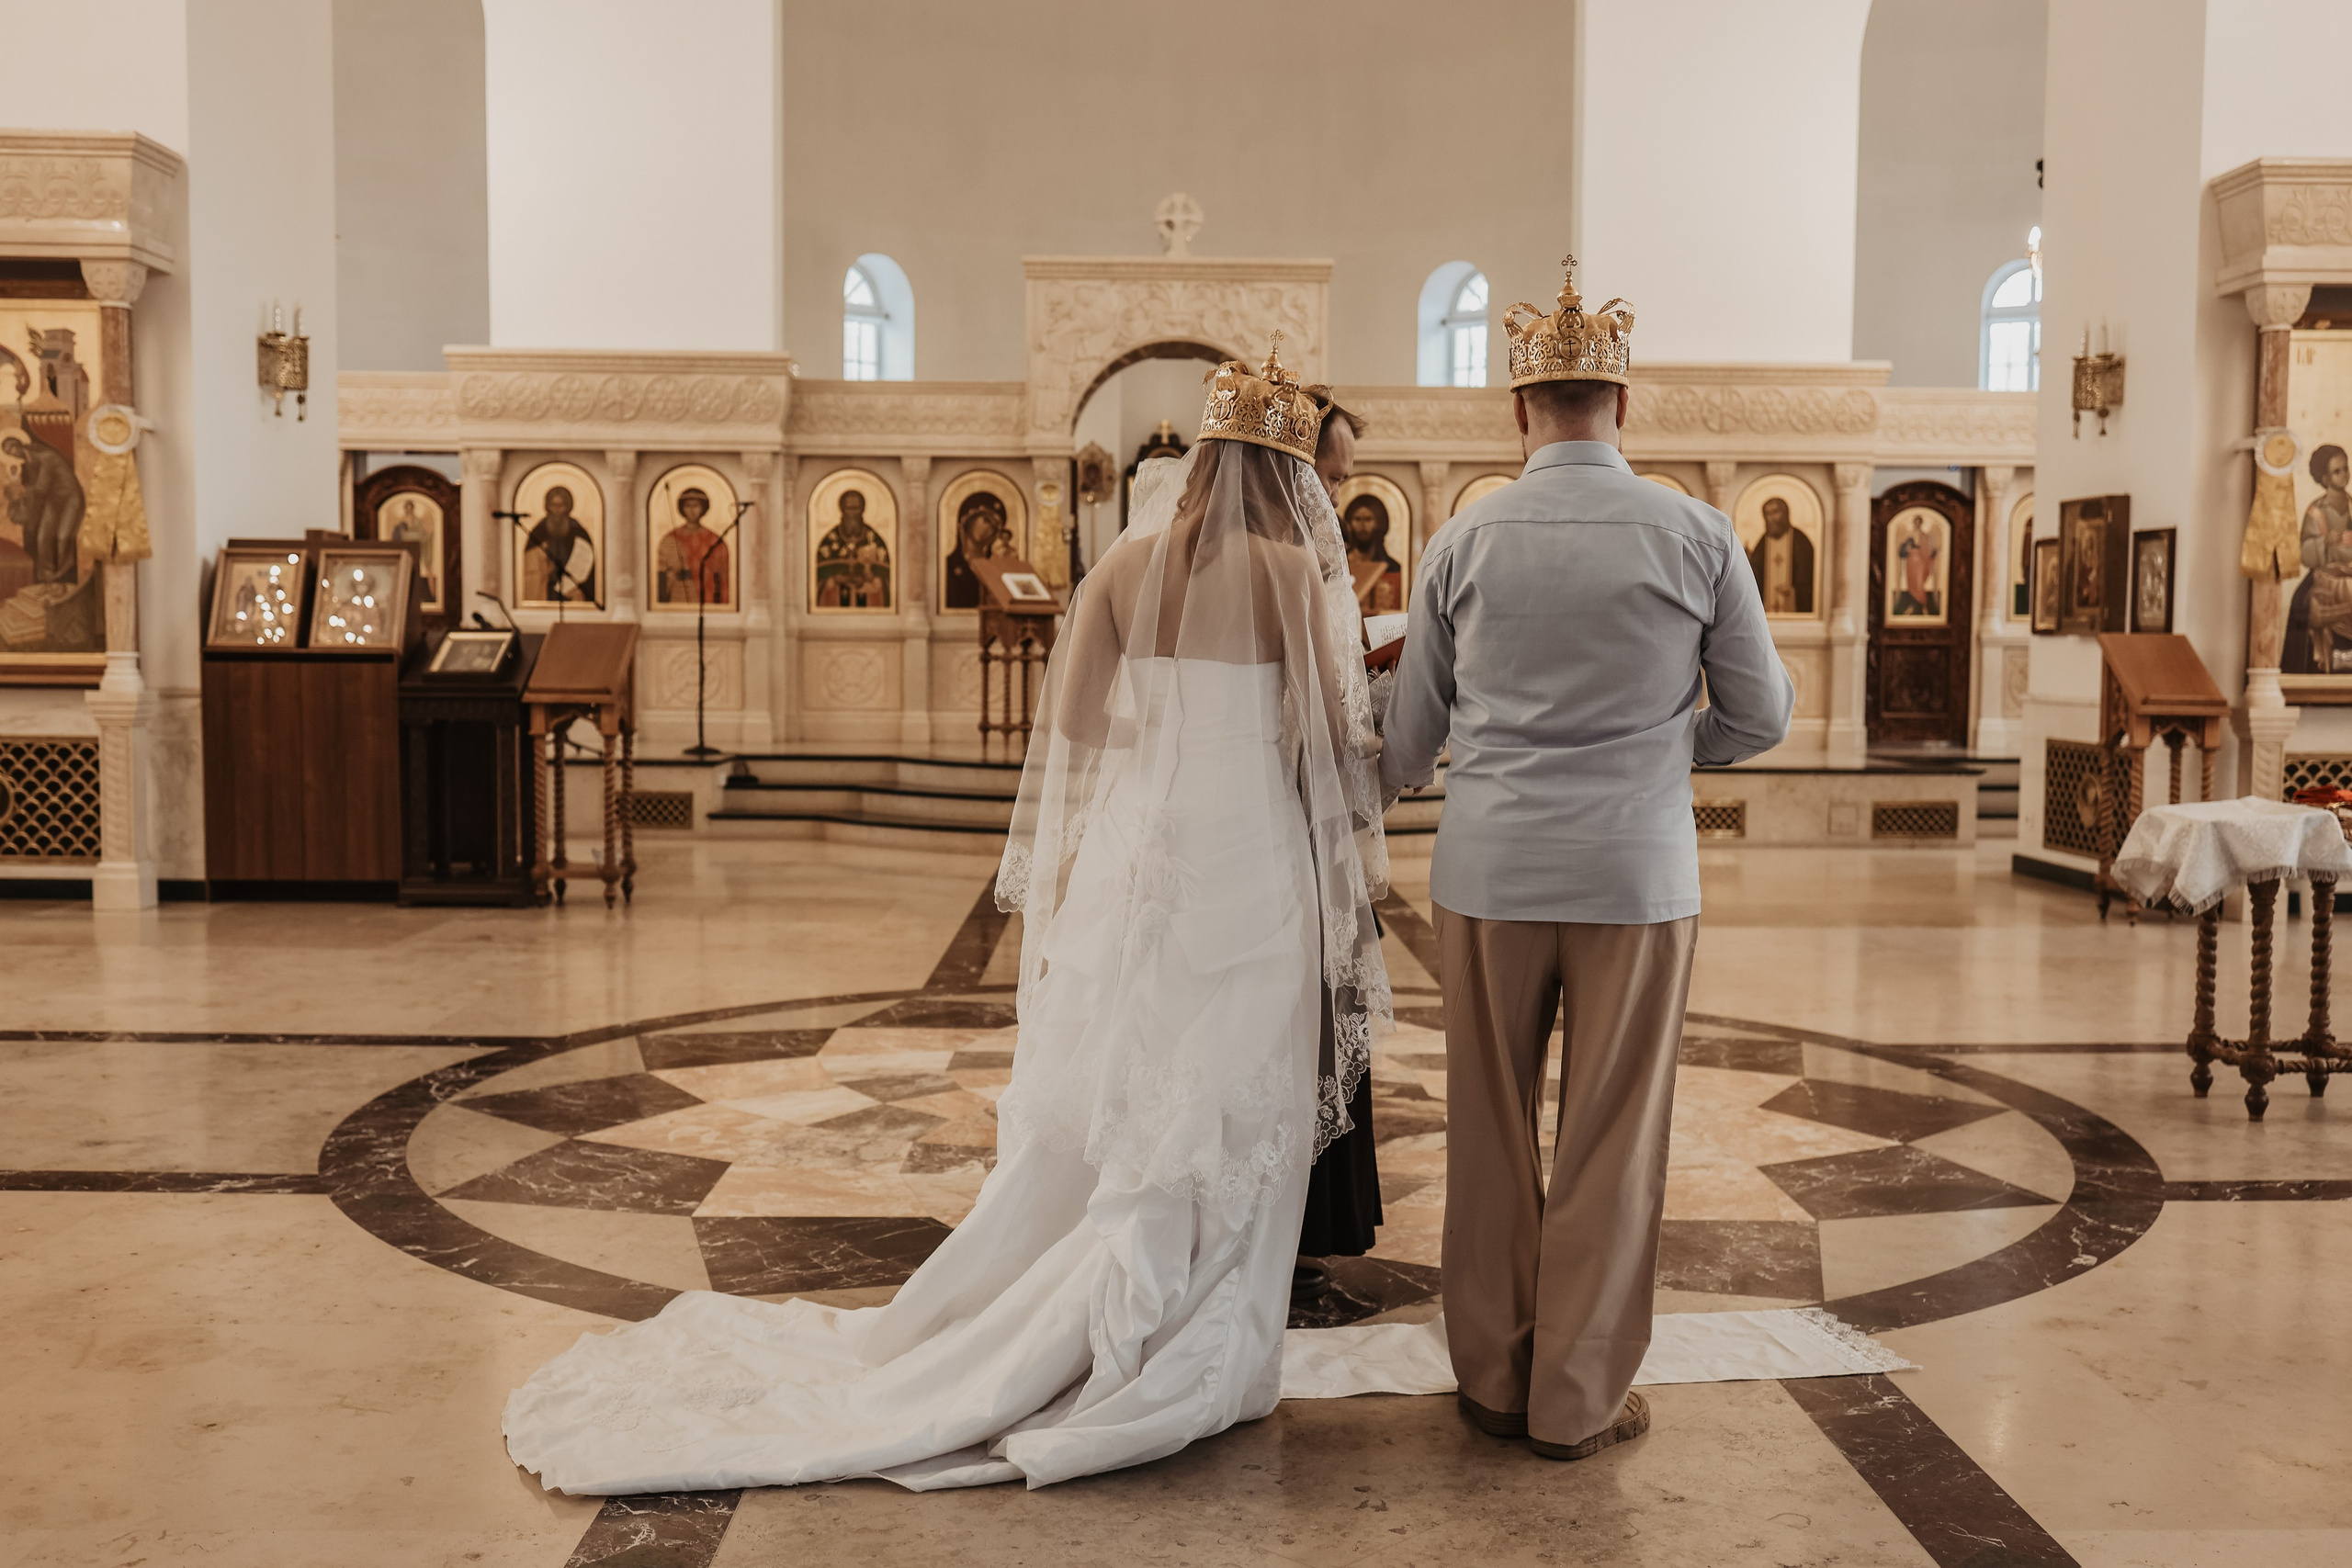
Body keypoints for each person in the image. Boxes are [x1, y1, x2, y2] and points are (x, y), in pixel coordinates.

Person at [503, 338, 1390, 1494]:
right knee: (1232, 1089)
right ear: (1285, 476)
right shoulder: (1287, 573)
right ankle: (1206, 1345)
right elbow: (1323, 738)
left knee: (1130, 1074)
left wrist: (1166, 750)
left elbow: (1075, 726)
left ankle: (1092, 1310)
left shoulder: (1122, 569)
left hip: (1140, 857)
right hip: (1247, 856)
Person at [1382, 257, 1792, 1461]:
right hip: (1635, 874)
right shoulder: (1695, 531)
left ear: (1519, 408)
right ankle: (1576, 1399)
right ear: (1624, 402)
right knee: (1615, 1134)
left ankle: (1492, 1378)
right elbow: (1762, 714)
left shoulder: (1463, 537)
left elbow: (1408, 740)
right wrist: (1667, 750)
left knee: (1488, 1125)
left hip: (1489, 873)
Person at [1296, 398, 1384, 1290]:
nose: (1336, 500)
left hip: (1299, 827)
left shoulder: (1313, 567)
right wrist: (1375, 737)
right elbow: (1312, 729)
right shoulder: (1287, 571)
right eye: (1328, 476)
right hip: (1290, 835)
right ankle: (1300, 1230)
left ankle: (1314, 1227)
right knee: (1308, 1019)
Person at [2300, 445, 2352, 669]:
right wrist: (2325, 541)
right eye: (2337, 471)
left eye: (2346, 468)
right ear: (2325, 478)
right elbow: (2305, 552)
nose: (2344, 475)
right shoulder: (2316, 510)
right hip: (2326, 576)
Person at [656, 487, 730, 605]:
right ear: (682, 508)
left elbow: (722, 574)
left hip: (706, 594)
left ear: (703, 508)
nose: (692, 510)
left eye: (696, 506)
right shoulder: (671, 538)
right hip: (680, 594)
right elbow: (662, 574)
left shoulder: (714, 540)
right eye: (688, 506)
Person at [523, 486, 597, 604]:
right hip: (546, 588)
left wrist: (578, 585)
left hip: (572, 589)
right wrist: (544, 567)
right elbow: (529, 566)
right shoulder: (539, 531)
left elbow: (589, 564)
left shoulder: (578, 531)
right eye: (553, 505)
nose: (557, 510)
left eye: (561, 505)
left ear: (568, 507)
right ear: (547, 506)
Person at [1745, 495, 1813, 615]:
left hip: (1794, 609)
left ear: (1785, 513)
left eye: (1775, 512)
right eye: (1768, 514)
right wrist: (1747, 560)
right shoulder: (1763, 543)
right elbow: (1756, 575)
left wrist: (1792, 591)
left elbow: (1808, 578)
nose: (1771, 518)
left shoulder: (1800, 540)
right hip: (1767, 608)